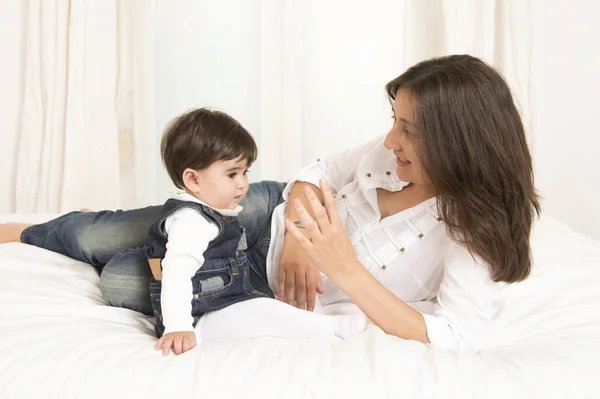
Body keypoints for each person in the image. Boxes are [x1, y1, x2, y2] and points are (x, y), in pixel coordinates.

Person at [0, 54, 540, 352]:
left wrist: (343, 269)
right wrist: (302, 239)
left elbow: (457, 336)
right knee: (103, 234)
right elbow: (318, 173)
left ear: (458, 142)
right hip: (264, 213)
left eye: (408, 130)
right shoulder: (392, 154)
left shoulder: (471, 236)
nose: (391, 140)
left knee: (120, 280)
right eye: (394, 121)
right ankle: (25, 231)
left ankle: (167, 255)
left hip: (258, 283)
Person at [140, 107, 367, 355]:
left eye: (245, 172)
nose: (242, 184)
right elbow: (176, 272)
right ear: (194, 180)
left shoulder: (213, 212)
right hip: (199, 318)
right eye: (232, 174)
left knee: (271, 306)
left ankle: (315, 320)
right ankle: (331, 328)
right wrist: (178, 326)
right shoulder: (191, 220)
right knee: (263, 313)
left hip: (225, 303)